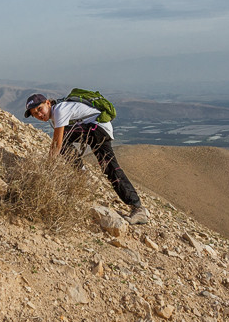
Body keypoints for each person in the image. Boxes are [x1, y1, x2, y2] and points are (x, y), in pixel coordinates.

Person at [24, 92, 150, 224]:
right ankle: (137, 207)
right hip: (99, 130)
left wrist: (48, 168)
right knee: (111, 169)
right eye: (34, 113)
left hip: (97, 129)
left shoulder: (60, 110)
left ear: (48, 103)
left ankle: (82, 173)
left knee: (63, 138)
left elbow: (57, 143)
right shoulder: (58, 111)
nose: (39, 114)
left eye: (40, 109)